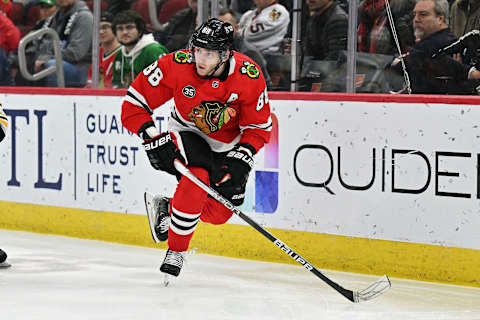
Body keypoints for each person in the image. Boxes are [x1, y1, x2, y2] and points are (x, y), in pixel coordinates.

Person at [121, 18, 272, 280]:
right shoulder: (177, 64)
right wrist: (152, 136)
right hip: (187, 132)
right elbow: (134, 104)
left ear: (225, 54)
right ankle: (176, 251)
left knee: (219, 213)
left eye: (209, 53)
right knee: (196, 177)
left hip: (229, 144)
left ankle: (168, 208)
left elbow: (258, 128)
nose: (200, 58)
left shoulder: (249, 75)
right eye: (197, 50)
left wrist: (243, 155)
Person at [34, 0, 93, 87]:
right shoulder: (56, 16)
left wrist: (47, 59)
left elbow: (76, 53)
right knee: (28, 62)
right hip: (59, 60)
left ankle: (53, 99)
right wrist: (41, 58)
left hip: (82, 67)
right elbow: (45, 44)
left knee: (53, 66)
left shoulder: (84, 16)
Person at [112, 10, 168, 88]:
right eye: (120, 29)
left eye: (129, 27)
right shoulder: (119, 54)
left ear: (140, 31)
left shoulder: (153, 51)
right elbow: (116, 85)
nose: (124, 32)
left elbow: (164, 86)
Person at [218, 8, 272, 88]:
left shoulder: (248, 52)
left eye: (226, 26)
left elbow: (261, 85)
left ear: (236, 28)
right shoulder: (212, 50)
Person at [87, 11, 122, 88]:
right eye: (98, 28)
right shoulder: (97, 52)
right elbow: (90, 83)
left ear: (115, 29)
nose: (101, 31)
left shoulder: (123, 53)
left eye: (106, 27)